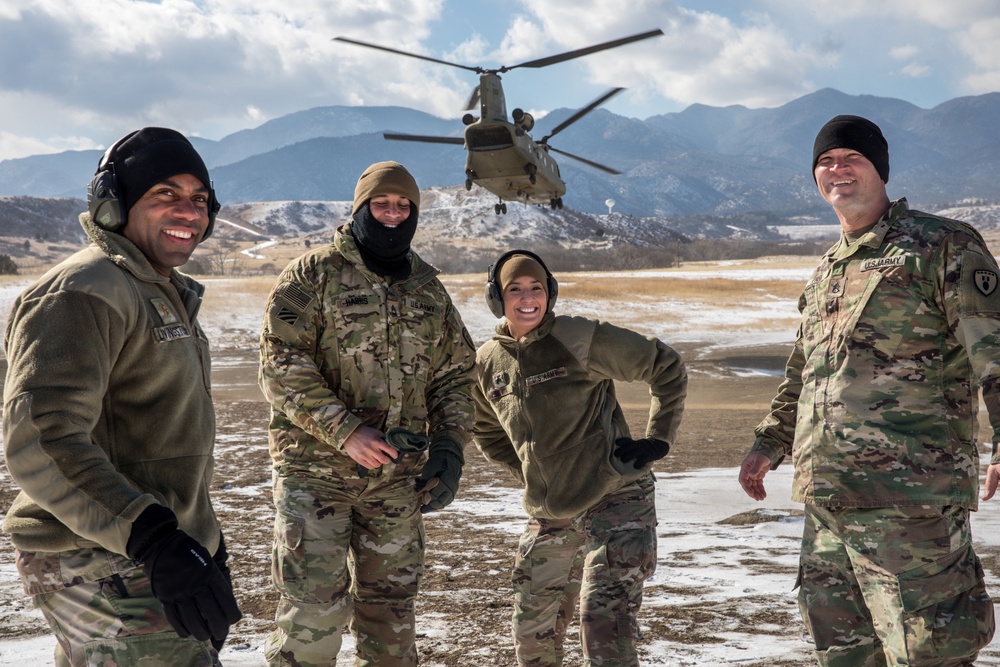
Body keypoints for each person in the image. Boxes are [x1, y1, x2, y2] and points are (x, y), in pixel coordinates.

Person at [739, 114, 1000, 666]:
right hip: (829, 506)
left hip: (912, 503)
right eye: (826, 162)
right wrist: (769, 442)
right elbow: (805, 370)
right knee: (845, 657)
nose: (837, 169)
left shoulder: (940, 245)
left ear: (879, 169)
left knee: (930, 654)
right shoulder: (829, 270)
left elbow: (993, 347)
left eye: (851, 158)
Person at [2, 127, 242, 666]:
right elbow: (42, 441)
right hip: (100, 556)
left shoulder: (154, 289)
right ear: (115, 205)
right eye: (166, 194)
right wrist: (154, 540)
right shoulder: (82, 292)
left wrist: (203, 540)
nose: (189, 212)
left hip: (145, 550)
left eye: (200, 199)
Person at [258, 160, 476, 666]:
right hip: (316, 477)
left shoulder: (428, 291)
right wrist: (346, 431)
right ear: (360, 208)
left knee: (392, 613)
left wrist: (448, 448)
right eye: (381, 204)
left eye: (403, 206)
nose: (393, 214)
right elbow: (280, 362)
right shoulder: (312, 275)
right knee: (315, 613)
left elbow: (455, 375)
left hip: (398, 480)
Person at [472, 249, 687, 667]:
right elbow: (486, 430)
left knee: (603, 624)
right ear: (496, 299)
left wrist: (658, 439)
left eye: (537, 288)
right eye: (514, 290)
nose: (527, 298)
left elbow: (666, 366)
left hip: (616, 494)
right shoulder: (486, 363)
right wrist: (534, 472)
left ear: (550, 293)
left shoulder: (578, 337)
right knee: (533, 636)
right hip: (551, 511)